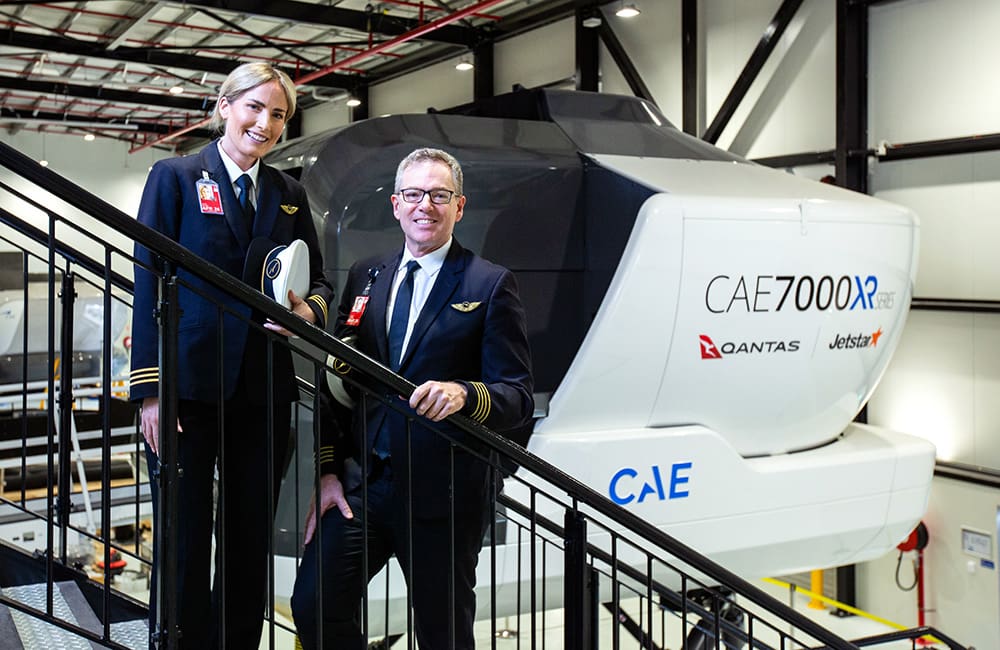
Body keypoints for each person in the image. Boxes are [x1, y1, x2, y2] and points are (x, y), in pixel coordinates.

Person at [290, 148, 534, 649]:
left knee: (441, 633)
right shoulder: (366, 276)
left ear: (459, 207)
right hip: (364, 489)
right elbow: (341, 384)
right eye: (415, 195)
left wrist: (465, 394)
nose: (427, 205)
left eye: (440, 195)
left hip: (442, 494)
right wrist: (330, 471)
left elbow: (518, 395)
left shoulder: (488, 284)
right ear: (396, 205)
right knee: (314, 605)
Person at [129, 62, 333, 648]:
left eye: (278, 115)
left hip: (263, 386)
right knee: (185, 533)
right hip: (187, 388)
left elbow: (318, 283)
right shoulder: (175, 177)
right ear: (224, 107)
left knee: (248, 535)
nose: (265, 123)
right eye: (255, 108)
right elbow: (149, 283)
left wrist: (309, 314)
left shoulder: (289, 193)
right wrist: (150, 390)